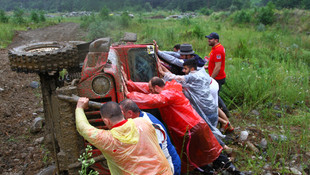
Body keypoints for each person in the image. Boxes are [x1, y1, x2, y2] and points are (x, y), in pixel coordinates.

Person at [122, 74, 243, 174]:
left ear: (158, 87)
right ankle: (231, 171)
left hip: (191, 130)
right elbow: (146, 88)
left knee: (194, 157)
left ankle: (215, 171)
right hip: (196, 126)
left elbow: (153, 100)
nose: (150, 92)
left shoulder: (169, 94)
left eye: (152, 90)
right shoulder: (170, 87)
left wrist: (129, 95)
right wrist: (129, 84)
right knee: (209, 152)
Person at [75, 98, 172, 175]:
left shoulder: (107, 140)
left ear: (106, 121)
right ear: (122, 112)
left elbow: (83, 127)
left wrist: (79, 108)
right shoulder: (143, 122)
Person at [119, 99, 181, 175]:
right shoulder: (139, 118)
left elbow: (157, 153)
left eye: (121, 114)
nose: (120, 118)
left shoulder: (151, 125)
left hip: (169, 165)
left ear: (129, 113)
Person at [205, 32, 231, 117]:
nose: (208, 40)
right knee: (216, 95)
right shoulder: (215, 48)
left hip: (217, 78)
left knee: (214, 96)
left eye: (210, 39)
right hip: (216, 76)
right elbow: (214, 64)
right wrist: (206, 67)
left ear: (216, 40)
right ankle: (224, 113)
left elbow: (218, 67)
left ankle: (225, 113)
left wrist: (211, 79)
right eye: (208, 38)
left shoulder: (218, 50)